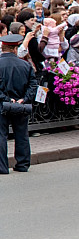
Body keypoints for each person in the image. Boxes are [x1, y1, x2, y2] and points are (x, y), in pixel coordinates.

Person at [0, 34, 38, 174]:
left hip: (2, 104)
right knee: (21, 134)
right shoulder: (25, 65)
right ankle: (22, 164)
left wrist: (7, 99)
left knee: (1, 135)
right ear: (15, 49)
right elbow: (33, 85)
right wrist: (24, 99)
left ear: (3, 48)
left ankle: (2, 167)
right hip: (21, 104)